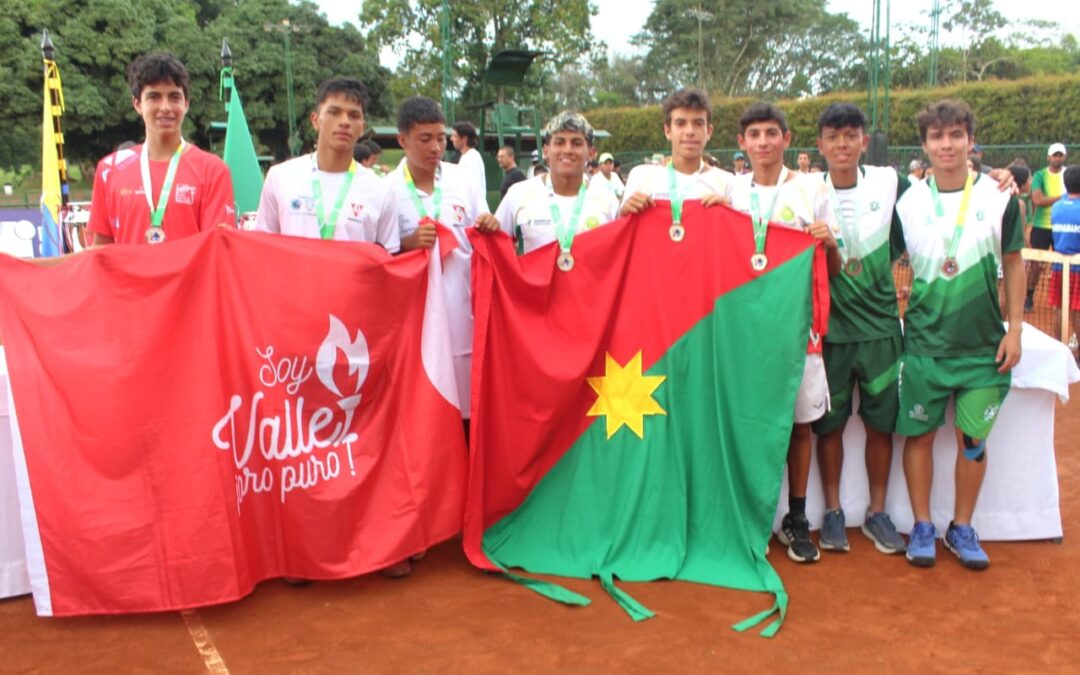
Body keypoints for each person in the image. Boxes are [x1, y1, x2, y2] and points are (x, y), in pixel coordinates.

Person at [894, 99, 1023, 571]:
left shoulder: (999, 197)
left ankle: (962, 526)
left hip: (983, 348)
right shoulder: (907, 203)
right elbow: (881, 266)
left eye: (955, 136)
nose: (946, 145)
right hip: (925, 346)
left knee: (973, 440)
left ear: (970, 141)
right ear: (925, 145)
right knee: (921, 437)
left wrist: (1016, 330)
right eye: (936, 137)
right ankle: (923, 524)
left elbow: (1013, 262)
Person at [729, 102, 838, 564]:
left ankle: (796, 518)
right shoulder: (730, 192)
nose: (763, 142)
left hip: (797, 328)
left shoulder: (813, 189)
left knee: (798, 425)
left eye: (771, 133)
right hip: (744, 328)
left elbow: (831, 267)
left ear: (787, 139)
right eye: (754, 134)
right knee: (747, 423)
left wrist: (829, 243)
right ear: (741, 143)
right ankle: (747, 516)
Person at [810, 103, 909, 556]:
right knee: (828, 427)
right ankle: (832, 511)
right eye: (834, 137)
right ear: (821, 145)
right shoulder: (810, 192)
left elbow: (935, 206)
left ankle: (877, 511)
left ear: (864, 142)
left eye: (851, 135)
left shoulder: (889, 182)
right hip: (830, 331)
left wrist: (996, 180)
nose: (843, 144)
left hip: (882, 330)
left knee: (880, 426)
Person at [87, 53, 235, 246]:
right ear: (137, 104)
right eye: (154, 97)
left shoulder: (213, 170)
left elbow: (218, 250)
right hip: (130, 278)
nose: (165, 107)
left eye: (174, 97)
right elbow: (100, 254)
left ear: (186, 104)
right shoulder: (110, 169)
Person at [254, 77, 398, 251]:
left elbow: (388, 259)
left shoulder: (380, 190)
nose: (344, 122)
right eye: (334, 112)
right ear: (315, 120)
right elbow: (262, 248)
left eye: (353, 115)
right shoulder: (280, 177)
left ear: (362, 127)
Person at [492, 111, 619, 256]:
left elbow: (622, 257)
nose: (567, 150)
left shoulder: (607, 200)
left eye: (576, 143)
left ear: (591, 153)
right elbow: (494, 247)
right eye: (559, 142)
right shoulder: (518, 194)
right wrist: (486, 227)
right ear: (546, 151)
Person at [620, 88, 735, 222]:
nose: (689, 131)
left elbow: (740, 237)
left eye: (698, 123)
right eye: (680, 123)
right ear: (667, 131)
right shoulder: (641, 177)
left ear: (709, 131)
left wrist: (730, 214)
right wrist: (624, 213)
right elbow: (621, 233)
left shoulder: (727, 183)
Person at [1027, 144, 1068, 312]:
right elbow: (1037, 200)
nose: (1057, 158)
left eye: (1060, 155)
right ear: (1048, 157)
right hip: (1041, 226)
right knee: (1036, 265)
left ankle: (1060, 301)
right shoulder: (1040, 175)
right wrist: (1064, 198)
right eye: (1054, 155)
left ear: (1064, 157)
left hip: (1062, 226)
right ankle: (1029, 296)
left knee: (1064, 264)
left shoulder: (1069, 174)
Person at [1049, 165, 1080, 348]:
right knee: (1077, 310)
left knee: (1058, 308)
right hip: (1077, 266)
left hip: (1059, 265)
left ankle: (1060, 347)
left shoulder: (1057, 207)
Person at [451, 121, 487, 196]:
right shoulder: (467, 157)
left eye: (454, 136)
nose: (451, 139)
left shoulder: (471, 158)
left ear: (464, 139)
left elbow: (472, 190)